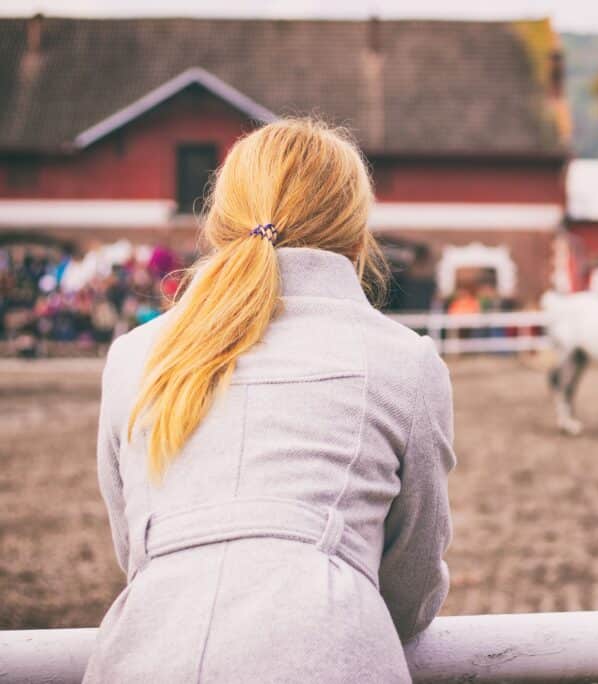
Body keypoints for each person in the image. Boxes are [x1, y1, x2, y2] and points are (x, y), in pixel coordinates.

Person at [85, 118, 456, 683]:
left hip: (146, 656)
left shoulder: (135, 357)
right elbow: (413, 584)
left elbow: (135, 549)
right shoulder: (405, 361)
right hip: (328, 655)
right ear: (358, 236)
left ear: (218, 224)